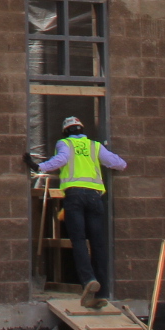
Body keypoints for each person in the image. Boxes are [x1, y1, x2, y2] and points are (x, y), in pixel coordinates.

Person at [31, 116, 127, 308]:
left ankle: (88, 280)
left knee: (79, 240)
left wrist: (38, 166)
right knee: (98, 243)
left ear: (66, 132)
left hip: (75, 196)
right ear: (82, 129)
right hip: (94, 198)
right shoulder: (94, 146)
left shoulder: (64, 143)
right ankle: (103, 291)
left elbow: (62, 159)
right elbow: (119, 164)